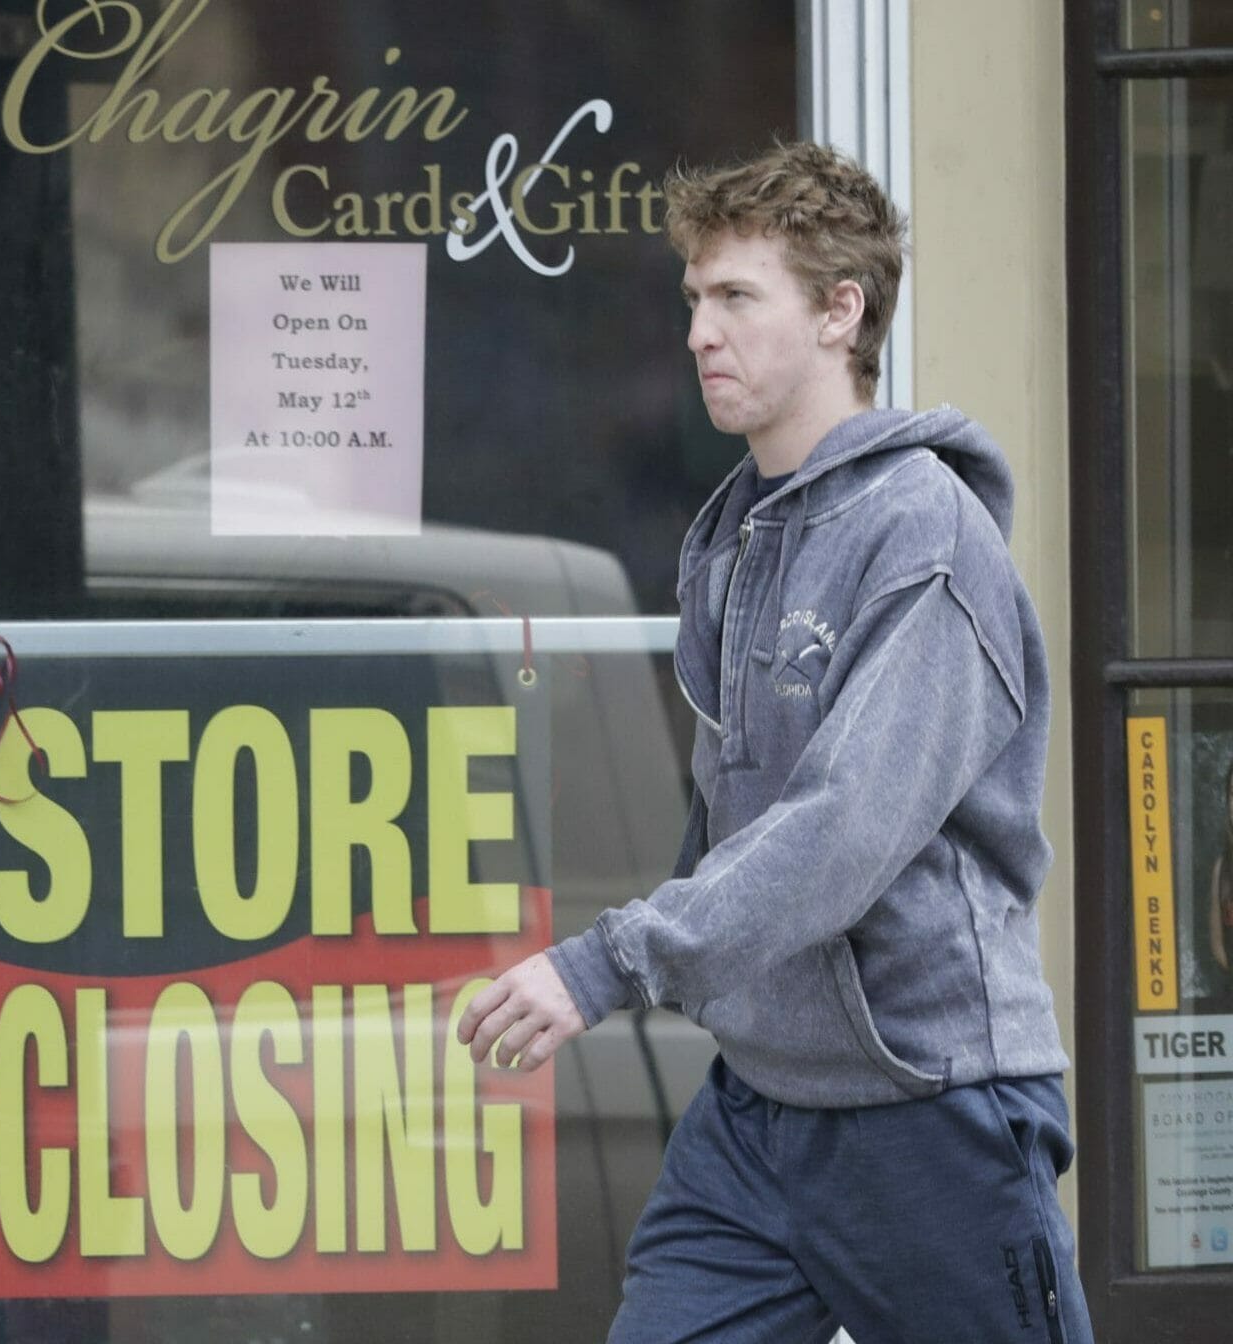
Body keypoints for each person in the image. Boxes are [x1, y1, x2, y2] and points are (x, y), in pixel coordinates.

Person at [453, 141, 1089, 1342]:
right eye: (694, 299)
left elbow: (842, 831)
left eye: (737, 297)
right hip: (754, 1114)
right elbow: (730, 824)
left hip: (927, 1108)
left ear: (840, 312)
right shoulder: (741, 536)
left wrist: (608, 963)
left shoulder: (927, 541)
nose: (699, 331)